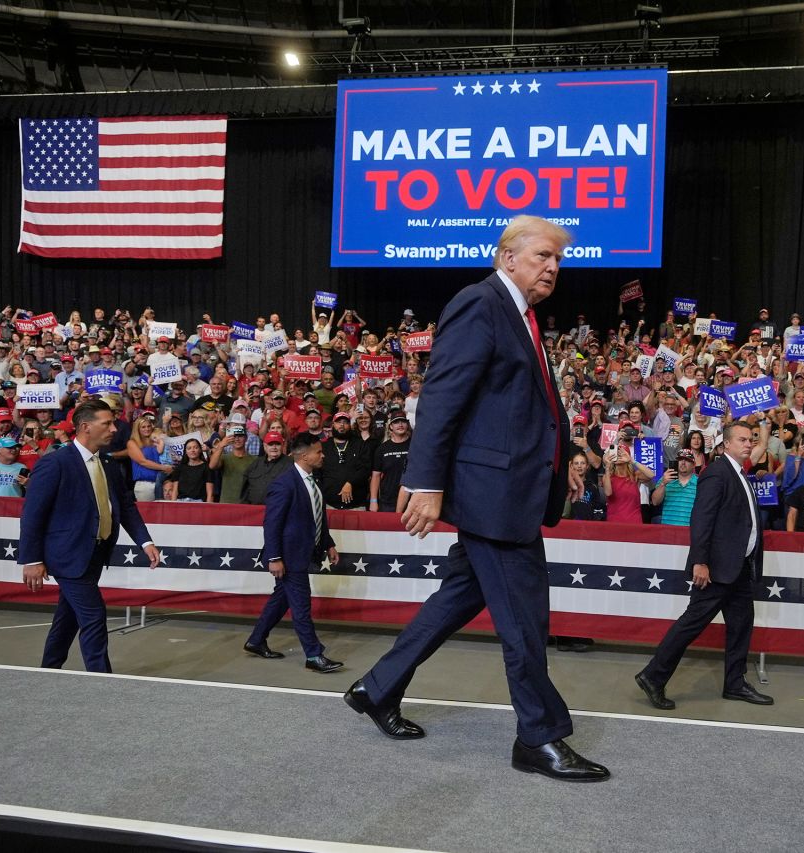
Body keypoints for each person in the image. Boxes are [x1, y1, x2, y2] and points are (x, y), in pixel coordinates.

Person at [345, 216, 609, 783]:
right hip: (492, 496)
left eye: (558, 260)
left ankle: (377, 688)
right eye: (542, 256)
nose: (553, 267)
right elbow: (441, 395)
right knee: (524, 623)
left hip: (511, 490)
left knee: (456, 599)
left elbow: (526, 411)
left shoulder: (523, 316)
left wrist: (563, 469)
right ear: (507, 255)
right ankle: (539, 737)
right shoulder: (480, 302)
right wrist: (426, 484)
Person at [634, 422, 772, 710]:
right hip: (717, 568)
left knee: (741, 626)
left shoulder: (740, 474)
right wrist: (700, 561)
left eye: (751, 439)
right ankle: (653, 676)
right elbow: (701, 519)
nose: (748, 444)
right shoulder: (716, 473)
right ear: (726, 444)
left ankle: (735, 683)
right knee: (691, 624)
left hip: (740, 568)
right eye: (742, 439)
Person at [18, 401, 161, 673]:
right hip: (66, 555)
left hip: (96, 553)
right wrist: (32, 559)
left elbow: (126, 506)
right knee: (94, 616)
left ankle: (48, 668)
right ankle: (100, 680)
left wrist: (145, 541)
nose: (114, 428)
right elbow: (32, 514)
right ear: (85, 427)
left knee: (68, 616)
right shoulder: (54, 463)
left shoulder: (107, 463)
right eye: (106, 423)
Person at [243, 431, 343, 671]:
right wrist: (275, 558)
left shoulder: (312, 480)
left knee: (282, 599)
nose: (322, 456)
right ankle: (313, 655)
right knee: (301, 605)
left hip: (303, 552)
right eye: (318, 452)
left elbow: (317, 516)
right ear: (305, 455)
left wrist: (328, 543)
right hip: (288, 557)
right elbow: (272, 523)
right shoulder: (284, 483)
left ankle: (256, 640)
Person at [369, 413, 411, 512]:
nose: (400, 424)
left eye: (403, 421)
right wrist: (373, 500)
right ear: (391, 426)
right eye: (396, 422)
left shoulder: (414, 446)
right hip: (387, 501)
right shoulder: (382, 448)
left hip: (411, 501)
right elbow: (375, 476)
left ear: (407, 425)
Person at [240, 432, 292, 504]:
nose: (274, 447)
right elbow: (245, 489)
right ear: (265, 446)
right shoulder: (255, 463)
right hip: (254, 511)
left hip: (278, 511)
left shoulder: (291, 464)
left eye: (277, 444)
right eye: (270, 444)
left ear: (282, 445)